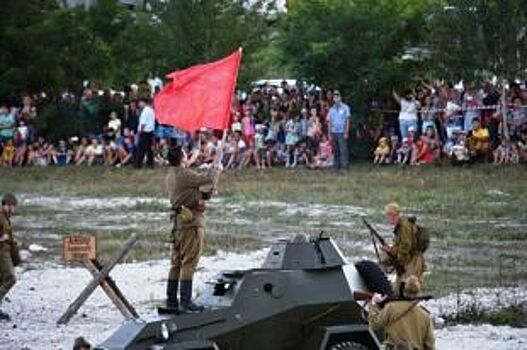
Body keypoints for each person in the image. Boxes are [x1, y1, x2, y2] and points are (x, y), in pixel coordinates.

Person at [163, 145, 221, 313]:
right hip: (190, 223)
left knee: (176, 263)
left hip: (178, 222)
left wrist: (204, 195)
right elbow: (207, 179)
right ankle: (186, 302)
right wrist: (216, 167)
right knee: (189, 262)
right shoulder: (184, 174)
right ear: (181, 157)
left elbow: (191, 192)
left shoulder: (172, 173)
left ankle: (172, 300)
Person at [368, 275, 435, 350]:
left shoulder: (391, 308)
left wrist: (374, 304)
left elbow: (374, 324)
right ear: (418, 292)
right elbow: (430, 345)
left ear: (403, 290)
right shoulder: (425, 315)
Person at [381, 203, 426, 296]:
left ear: (393, 215)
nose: (388, 219)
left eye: (388, 216)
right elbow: (402, 245)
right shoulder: (401, 226)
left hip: (413, 262)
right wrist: (390, 249)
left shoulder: (404, 226)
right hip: (408, 261)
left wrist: (390, 250)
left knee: (409, 290)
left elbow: (406, 246)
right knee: (398, 290)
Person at [0, 193, 19, 321]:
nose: (14, 209)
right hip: (1, 252)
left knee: (1, 280)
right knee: (11, 278)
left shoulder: (6, 217)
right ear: (7, 205)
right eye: (13, 206)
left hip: (6, 251)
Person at [328, 90, 351, 170]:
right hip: (334, 132)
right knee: (335, 150)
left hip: (342, 132)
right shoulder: (331, 109)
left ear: (340, 98)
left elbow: (347, 121)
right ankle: (336, 166)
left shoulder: (345, 108)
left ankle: (344, 166)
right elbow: (329, 122)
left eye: (337, 97)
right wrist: (329, 133)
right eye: (335, 97)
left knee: (343, 150)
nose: (336, 99)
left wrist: (346, 131)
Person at [134, 97, 155, 168]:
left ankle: (138, 164)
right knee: (149, 149)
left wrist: (139, 133)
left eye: (140, 102)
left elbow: (143, 123)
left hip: (144, 132)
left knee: (141, 149)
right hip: (150, 132)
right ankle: (150, 163)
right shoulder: (151, 110)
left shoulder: (145, 111)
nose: (139, 104)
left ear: (144, 102)